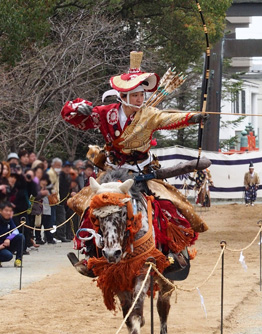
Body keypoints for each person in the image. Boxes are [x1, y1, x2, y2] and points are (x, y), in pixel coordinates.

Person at [61, 51, 208, 275]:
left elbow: (169, 119)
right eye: (136, 95)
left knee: (169, 205)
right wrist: (78, 107)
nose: (141, 99)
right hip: (113, 173)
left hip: (142, 171)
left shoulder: (149, 114)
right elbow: (73, 118)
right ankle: (92, 253)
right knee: (88, 205)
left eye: (142, 94)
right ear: (123, 95)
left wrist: (193, 117)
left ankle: (172, 252)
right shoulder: (105, 114)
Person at [0, 201, 26, 267]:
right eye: (6, 211)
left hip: (5, 244)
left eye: (10, 211)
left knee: (20, 236)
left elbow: (15, 231)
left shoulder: (9, 219)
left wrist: (9, 238)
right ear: (0, 211)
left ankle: (18, 260)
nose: (8, 213)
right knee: (8, 256)